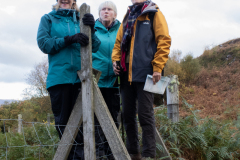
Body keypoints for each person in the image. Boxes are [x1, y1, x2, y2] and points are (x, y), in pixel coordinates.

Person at [37, 0, 101, 159]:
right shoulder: (48, 19)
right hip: (60, 79)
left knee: (85, 125)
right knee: (65, 127)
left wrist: (92, 29)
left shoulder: (81, 18)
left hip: (82, 78)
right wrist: (68, 39)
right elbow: (44, 43)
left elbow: (96, 46)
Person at [112, 0, 171, 159]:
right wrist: (115, 61)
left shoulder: (154, 13)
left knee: (145, 115)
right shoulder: (127, 16)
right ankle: (133, 154)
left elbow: (164, 40)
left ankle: (148, 155)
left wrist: (158, 67)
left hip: (147, 73)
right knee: (128, 116)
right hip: (125, 74)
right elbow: (118, 44)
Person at [92, 1, 121, 160]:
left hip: (115, 82)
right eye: (103, 9)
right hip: (96, 81)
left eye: (109, 9)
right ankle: (98, 154)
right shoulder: (92, 30)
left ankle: (112, 154)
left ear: (115, 14)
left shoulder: (122, 30)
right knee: (96, 121)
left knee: (113, 119)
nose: (106, 12)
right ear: (99, 13)